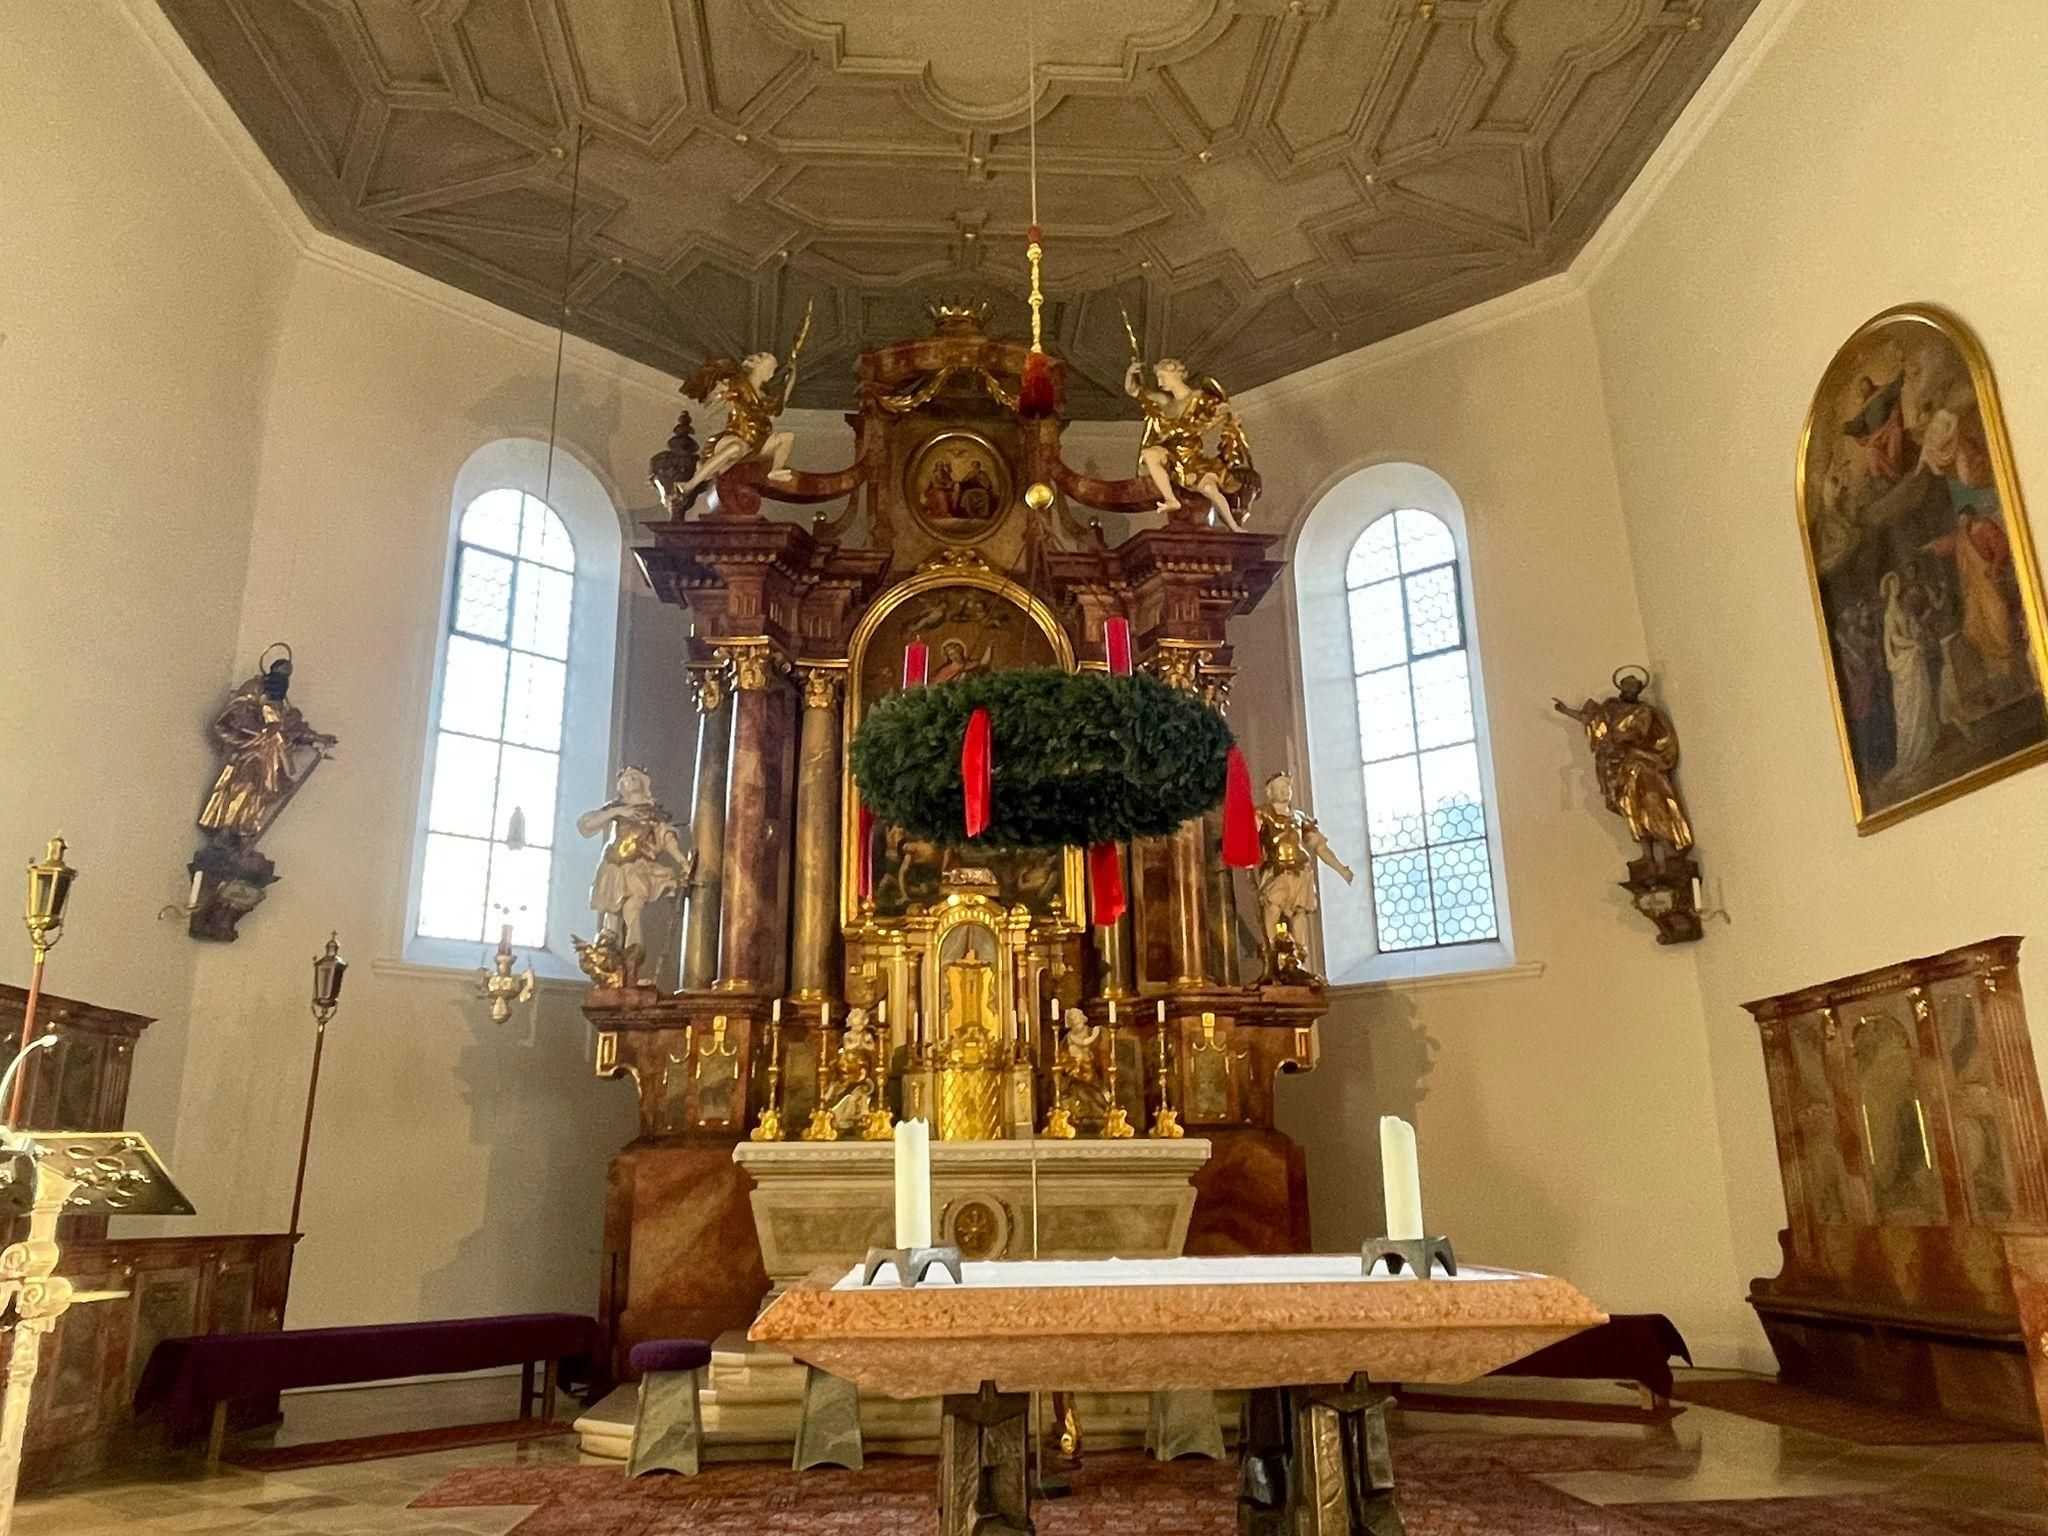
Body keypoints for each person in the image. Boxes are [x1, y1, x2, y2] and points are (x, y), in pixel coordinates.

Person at [199, 652, 337, 841]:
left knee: (260, 794)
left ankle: (243, 832)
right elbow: (235, 713)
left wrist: (320, 738)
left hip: (272, 758)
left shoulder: (285, 706)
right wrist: (262, 727)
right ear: (271, 672)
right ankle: (225, 829)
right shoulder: (253, 689)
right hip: (251, 749)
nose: (282, 680)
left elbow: (295, 729)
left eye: (286, 677)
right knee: (242, 786)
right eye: (280, 674)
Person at [1553, 670, 1693, 856]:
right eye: (1627, 685)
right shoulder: (1610, 707)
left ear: (1639, 690)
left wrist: (1622, 736)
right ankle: (1647, 854)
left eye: (1634, 686)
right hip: (1615, 766)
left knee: (1651, 803)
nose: (1630, 689)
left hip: (1638, 763)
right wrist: (1566, 711)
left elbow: (1641, 733)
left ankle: (1667, 847)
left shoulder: (1643, 711)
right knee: (1628, 807)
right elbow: (1591, 720)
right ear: (1620, 687)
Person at [576, 767, 692, 956]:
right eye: (626, 778)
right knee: (611, 914)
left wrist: (683, 862)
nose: (630, 780)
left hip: (637, 866)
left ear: (643, 783)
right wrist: (617, 811)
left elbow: (666, 837)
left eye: (634, 777)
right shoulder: (615, 809)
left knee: (632, 909)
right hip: (612, 865)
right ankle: (610, 963)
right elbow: (587, 825)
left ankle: (632, 957)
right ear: (620, 786)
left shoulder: (653, 812)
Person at [1881, 571, 1940, 779]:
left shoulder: (1902, 608)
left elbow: (1910, 627)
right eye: (1893, 585)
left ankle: (1925, 743)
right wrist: (1912, 643)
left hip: (1914, 657)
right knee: (1910, 706)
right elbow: (1894, 638)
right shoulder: (1890, 613)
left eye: (1898, 584)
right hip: (1906, 660)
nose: (1897, 587)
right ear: (1888, 589)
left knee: (1922, 699)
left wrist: (1917, 635)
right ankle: (1912, 753)